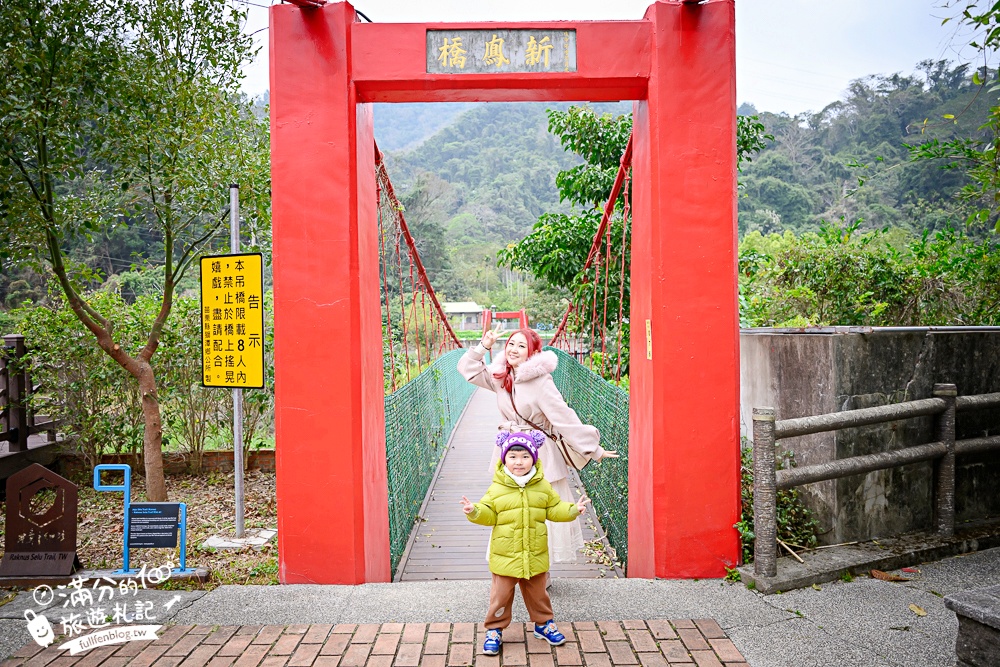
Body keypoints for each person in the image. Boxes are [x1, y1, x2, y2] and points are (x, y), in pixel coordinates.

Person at [458, 324, 618, 564]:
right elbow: (467, 370)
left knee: (540, 512)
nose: (513, 349)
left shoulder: (541, 381)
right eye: (511, 344)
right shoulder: (500, 375)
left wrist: (593, 448)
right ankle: (513, 564)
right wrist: (484, 346)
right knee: (510, 509)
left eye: (521, 346)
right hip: (510, 454)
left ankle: (541, 571)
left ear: (531, 353)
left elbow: (562, 416)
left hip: (539, 453)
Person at [460, 431, 590, 655]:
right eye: (512, 457)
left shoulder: (542, 486)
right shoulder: (497, 488)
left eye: (524, 456)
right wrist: (475, 511)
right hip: (505, 556)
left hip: (534, 553)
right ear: (504, 459)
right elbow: (489, 513)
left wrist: (571, 510)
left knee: (538, 594)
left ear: (534, 459)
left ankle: (543, 624)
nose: (518, 462)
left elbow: (553, 509)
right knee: (500, 596)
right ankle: (494, 629)